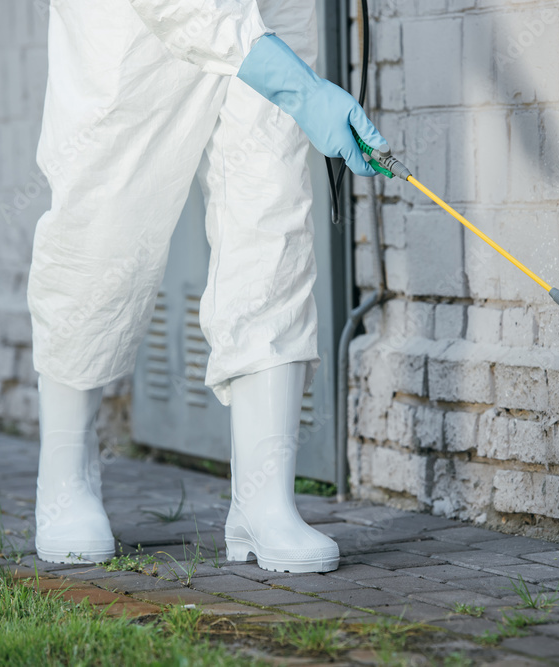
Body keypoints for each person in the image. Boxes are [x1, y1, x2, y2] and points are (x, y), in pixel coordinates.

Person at [27, 0, 386, 574]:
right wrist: (299, 88)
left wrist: (294, 86)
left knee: (271, 221)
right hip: (131, 23)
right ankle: (64, 481)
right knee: (101, 226)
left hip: (271, 10)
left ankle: (263, 503)